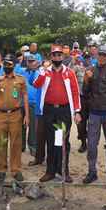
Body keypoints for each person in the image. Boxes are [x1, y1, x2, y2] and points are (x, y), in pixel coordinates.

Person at [33, 44, 83, 183]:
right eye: (54, 55)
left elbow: (75, 92)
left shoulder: (69, 73)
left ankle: (63, 170)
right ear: (51, 57)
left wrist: (77, 111)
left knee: (62, 141)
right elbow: (36, 84)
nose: (57, 57)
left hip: (63, 111)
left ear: (63, 56)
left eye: (59, 55)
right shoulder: (45, 71)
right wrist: (43, 72)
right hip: (49, 110)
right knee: (50, 140)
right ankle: (50, 171)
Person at [0, 55, 29, 182]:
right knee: (1, 143)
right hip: (1, 115)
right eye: (5, 63)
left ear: (14, 65)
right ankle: (1, 170)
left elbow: (24, 97)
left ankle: (15, 170)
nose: (7, 66)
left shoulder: (20, 79)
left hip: (16, 114)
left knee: (15, 143)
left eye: (10, 64)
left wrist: (27, 116)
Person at [81, 43, 106, 188]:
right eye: (100, 55)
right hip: (94, 114)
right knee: (91, 145)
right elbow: (85, 92)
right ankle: (92, 171)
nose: (102, 57)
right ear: (96, 55)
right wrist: (86, 79)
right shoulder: (90, 70)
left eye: (105, 55)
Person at [22, 54, 42, 157]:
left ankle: (32, 146)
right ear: (26, 62)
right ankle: (21, 146)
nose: (31, 63)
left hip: (34, 103)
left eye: (32, 61)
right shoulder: (21, 72)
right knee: (22, 125)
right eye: (29, 61)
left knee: (33, 127)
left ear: (35, 62)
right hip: (22, 103)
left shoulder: (39, 73)